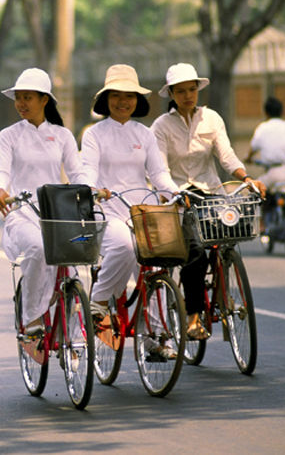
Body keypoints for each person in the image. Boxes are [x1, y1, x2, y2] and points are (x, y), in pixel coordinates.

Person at [151, 63, 265, 341]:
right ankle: (193, 318)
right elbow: (159, 168)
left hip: (210, 192)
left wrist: (246, 178)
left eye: (192, 89)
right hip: (178, 196)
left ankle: (223, 284)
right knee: (195, 252)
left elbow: (226, 156)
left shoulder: (211, 119)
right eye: (181, 91)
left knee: (228, 235)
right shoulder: (161, 126)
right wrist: (171, 194)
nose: (188, 96)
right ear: (171, 94)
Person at [80, 65, 179, 356]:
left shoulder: (144, 134)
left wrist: (175, 192)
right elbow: (88, 169)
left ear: (138, 100)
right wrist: (91, 188)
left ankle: (156, 339)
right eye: (116, 95)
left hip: (142, 211)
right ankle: (99, 301)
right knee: (124, 245)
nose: (123, 101)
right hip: (107, 210)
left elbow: (158, 173)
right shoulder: (94, 134)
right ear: (106, 99)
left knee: (158, 267)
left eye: (130, 96)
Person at [0, 68, 96, 335]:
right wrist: (0, 190)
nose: (21, 103)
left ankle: (72, 338)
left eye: (28, 97)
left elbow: (77, 171)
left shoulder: (62, 135)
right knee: (38, 248)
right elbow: (1, 170)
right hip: (21, 211)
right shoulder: (8, 135)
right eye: (18, 98)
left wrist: (91, 189)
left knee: (72, 268)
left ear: (44, 100)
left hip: (56, 213)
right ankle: (32, 317)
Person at [245, 96, 285, 190]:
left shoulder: (262, 128)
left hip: (274, 174)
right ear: (282, 112)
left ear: (266, 113)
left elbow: (253, 149)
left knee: (254, 190)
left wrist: (248, 158)